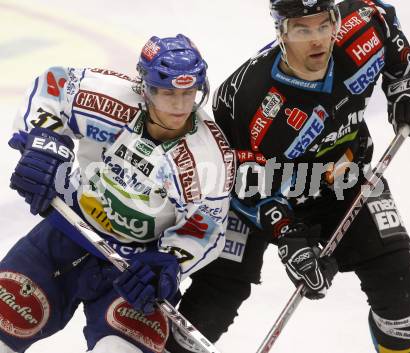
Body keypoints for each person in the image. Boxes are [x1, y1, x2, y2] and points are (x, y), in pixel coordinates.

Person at [165, 1, 410, 352]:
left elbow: (386, 22)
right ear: (281, 33)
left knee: (400, 297)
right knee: (207, 313)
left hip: (344, 177)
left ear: (336, 21)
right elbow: (243, 185)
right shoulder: (251, 100)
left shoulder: (364, 28)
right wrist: (290, 239)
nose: (317, 41)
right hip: (254, 197)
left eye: (324, 26)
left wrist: (407, 86)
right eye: (302, 30)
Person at [0, 34, 235, 353]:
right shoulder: (112, 98)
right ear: (146, 87)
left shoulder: (211, 157)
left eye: (188, 92)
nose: (180, 105)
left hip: (133, 271)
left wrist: (168, 264)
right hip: (66, 234)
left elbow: (204, 227)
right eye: (168, 92)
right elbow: (52, 87)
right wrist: (43, 143)